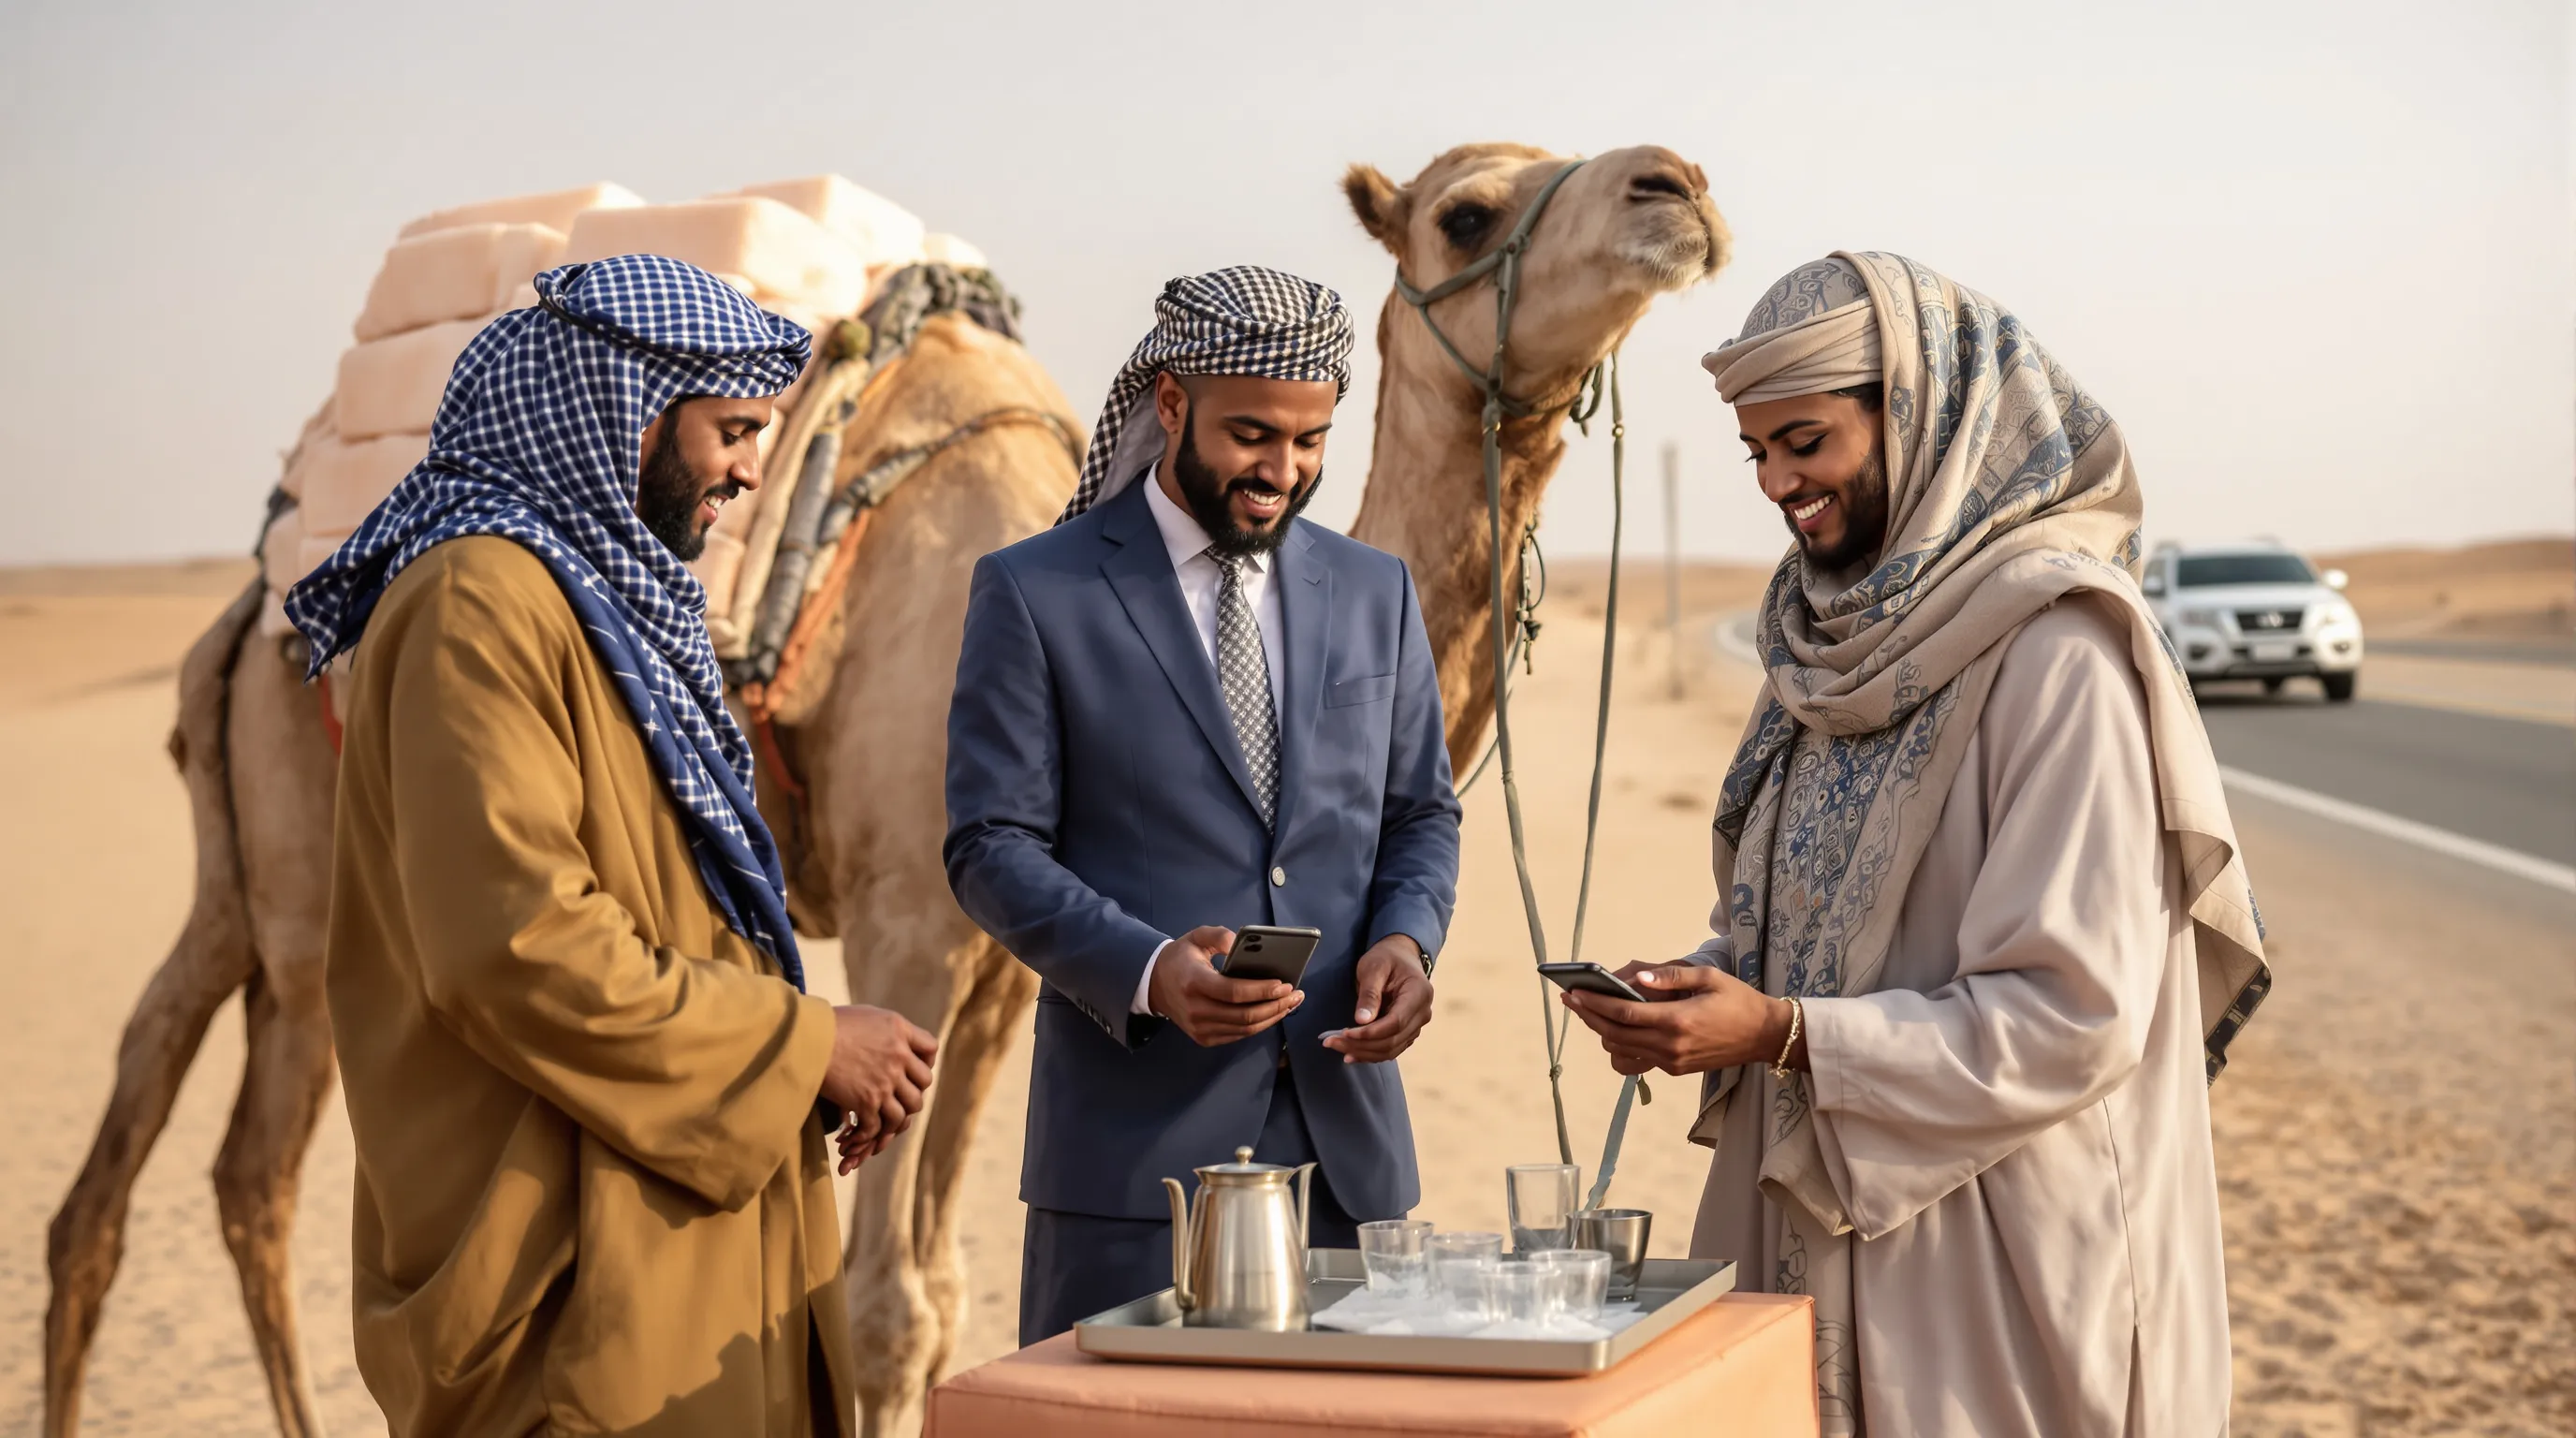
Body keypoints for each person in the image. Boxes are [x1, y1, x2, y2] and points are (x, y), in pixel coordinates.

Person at [1559, 253, 2273, 1437]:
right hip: (1814, 1232)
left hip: (1997, 1268)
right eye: (1756, 453)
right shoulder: (1822, 650)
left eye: (1804, 442)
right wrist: (1701, 991)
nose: (1778, 484)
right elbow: (1798, 922)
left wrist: (1783, 1033)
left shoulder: (2059, 657)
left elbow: (2074, 1016)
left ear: (1921, 416)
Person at [285, 255, 939, 1438]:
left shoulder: (606, 603)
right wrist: (802, 1046)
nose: (751, 470)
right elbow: (517, 946)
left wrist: (800, 1059)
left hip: (669, 1210)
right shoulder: (477, 603)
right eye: (732, 431)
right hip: (564, 1264)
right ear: (624, 412)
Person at [944, 267, 1462, 1343]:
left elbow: (1419, 813)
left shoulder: (1374, 590)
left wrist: (1407, 943)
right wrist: (1145, 971)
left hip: (1345, 1161)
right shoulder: (1037, 590)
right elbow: (991, 844)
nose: (1282, 471)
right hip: (1130, 1169)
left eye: (1310, 441)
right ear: (1171, 404)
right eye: (1251, 436)